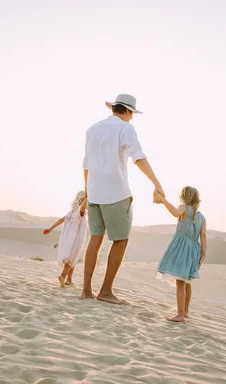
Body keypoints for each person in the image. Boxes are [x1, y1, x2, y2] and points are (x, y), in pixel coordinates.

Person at [81, 94, 165, 304]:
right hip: (115, 192)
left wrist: (87, 190)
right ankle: (106, 291)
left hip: (94, 191)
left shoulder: (92, 129)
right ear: (126, 111)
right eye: (132, 114)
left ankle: (86, 290)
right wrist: (157, 184)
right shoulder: (125, 128)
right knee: (120, 240)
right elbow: (138, 157)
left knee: (95, 238)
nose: (132, 118)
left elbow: (86, 164)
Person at [155, 186, 207, 322]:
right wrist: (204, 253)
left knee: (180, 282)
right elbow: (204, 236)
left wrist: (164, 201)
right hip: (193, 250)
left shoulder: (184, 208)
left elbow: (174, 212)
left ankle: (179, 314)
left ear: (184, 197)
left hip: (181, 249)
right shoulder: (202, 217)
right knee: (187, 282)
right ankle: (185, 311)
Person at [43, 190, 88, 287]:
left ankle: (69, 279)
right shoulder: (81, 211)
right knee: (71, 257)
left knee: (72, 257)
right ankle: (62, 276)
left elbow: (60, 220)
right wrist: (88, 195)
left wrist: (50, 228)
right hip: (76, 238)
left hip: (67, 237)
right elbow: (85, 202)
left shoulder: (71, 213)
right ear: (80, 201)